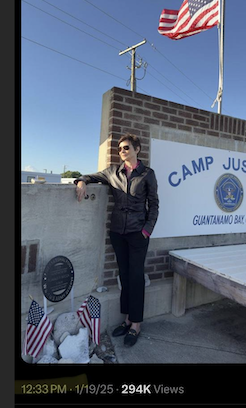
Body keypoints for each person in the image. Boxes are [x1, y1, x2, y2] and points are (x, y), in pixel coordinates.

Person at [75, 134, 159, 346]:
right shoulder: (113, 172)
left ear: (137, 149)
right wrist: (81, 181)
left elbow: (154, 205)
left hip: (138, 233)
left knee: (136, 276)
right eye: (120, 148)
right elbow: (91, 176)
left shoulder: (147, 174)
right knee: (124, 275)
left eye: (126, 147)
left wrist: (146, 230)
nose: (122, 151)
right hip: (118, 232)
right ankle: (127, 319)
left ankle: (136, 324)